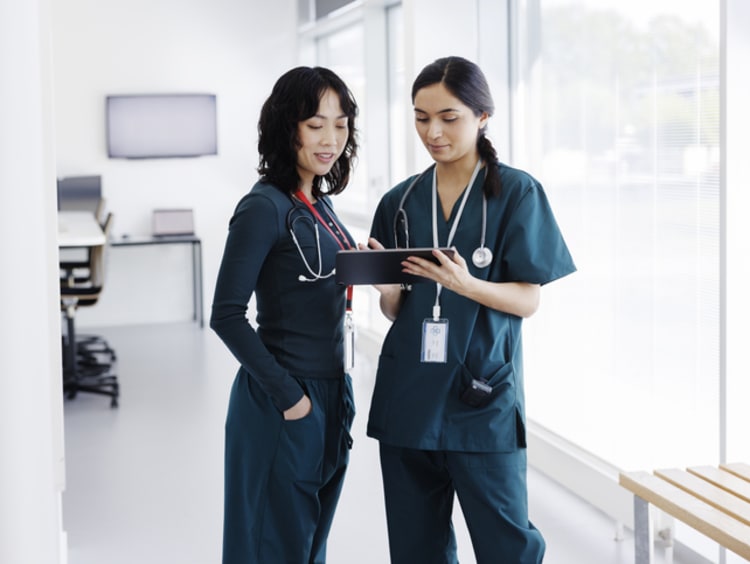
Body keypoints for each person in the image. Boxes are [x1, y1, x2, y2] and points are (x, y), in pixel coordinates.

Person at [365, 56, 576, 563]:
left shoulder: (517, 193)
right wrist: (389, 291)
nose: (432, 131)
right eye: (421, 117)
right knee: (417, 550)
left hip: (481, 400)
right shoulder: (399, 201)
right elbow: (400, 311)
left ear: (482, 116)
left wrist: (466, 284)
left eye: (448, 117)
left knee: (508, 547)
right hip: (409, 400)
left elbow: (528, 299)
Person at [210, 66, 358, 564]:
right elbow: (227, 314)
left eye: (340, 125)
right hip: (284, 397)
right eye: (315, 124)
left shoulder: (319, 201)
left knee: (308, 542)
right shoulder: (263, 207)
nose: (330, 139)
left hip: (332, 391)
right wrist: (291, 398)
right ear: (286, 126)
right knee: (272, 545)